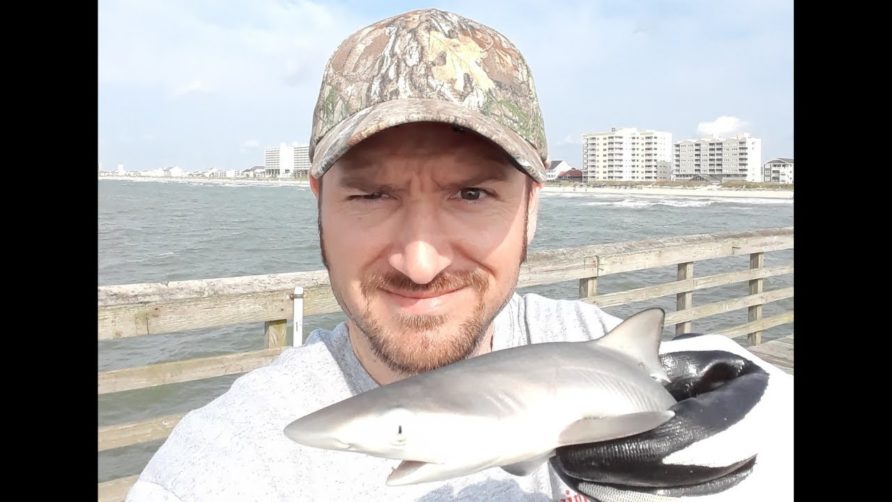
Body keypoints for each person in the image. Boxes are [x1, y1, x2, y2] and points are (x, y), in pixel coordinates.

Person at [126, 8, 793, 501]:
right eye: (370, 196)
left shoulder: (596, 343)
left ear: (533, 205)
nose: (419, 262)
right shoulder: (235, 460)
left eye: (471, 193)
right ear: (318, 202)